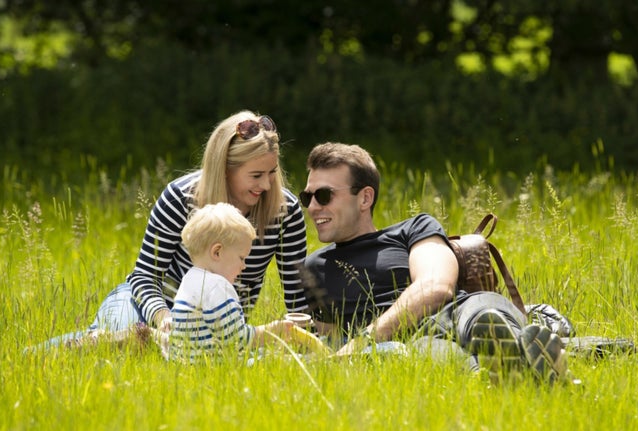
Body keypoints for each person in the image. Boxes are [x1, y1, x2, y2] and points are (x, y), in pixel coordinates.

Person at [299, 142, 569, 382]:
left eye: (324, 195)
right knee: (429, 352)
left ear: (365, 198)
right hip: (410, 340)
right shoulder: (313, 268)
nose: (312, 207)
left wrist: (366, 339)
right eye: (307, 197)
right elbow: (329, 340)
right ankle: (523, 369)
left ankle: (513, 354)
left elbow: (436, 285)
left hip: (457, 311)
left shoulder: (413, 229)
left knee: (484, 315)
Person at [38, 110, 308, 349]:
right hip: (149, 308)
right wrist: (163, 318)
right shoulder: (181, 197)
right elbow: (144, 276)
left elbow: (298, 295)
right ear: (225, 169)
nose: (268, 185)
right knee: (124, 342)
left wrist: (306, 340)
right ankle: (40, 356)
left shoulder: (285, 211)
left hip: (213, 323)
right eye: (256, 176)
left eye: (272, 172)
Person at [167, 202, 303, 362]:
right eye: (241, 258)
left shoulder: (189, 280)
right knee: (290, 360)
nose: (244, 266)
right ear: (217, 252)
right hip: (215, 366)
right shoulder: (217, 286)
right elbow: (236, 341)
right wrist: (273, 331)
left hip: (192, 365)